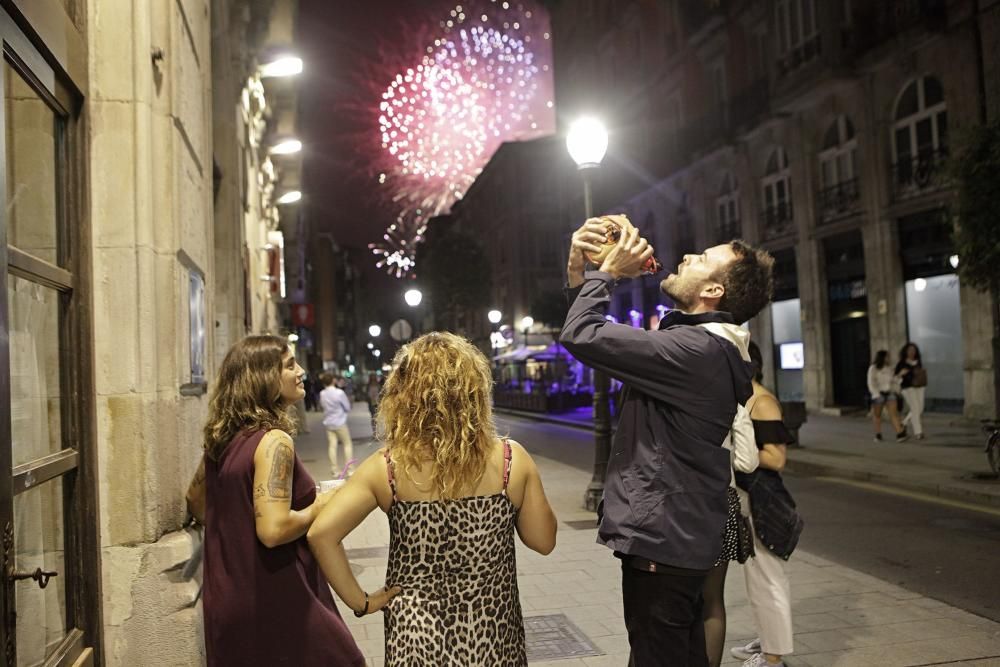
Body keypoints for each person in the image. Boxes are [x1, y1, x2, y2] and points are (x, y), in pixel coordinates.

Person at [560, 219, 773, 667]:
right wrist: (582, 273)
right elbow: (597, 340)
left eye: (700, 260)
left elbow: (583, 335)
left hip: (662, 544)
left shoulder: (695, 351)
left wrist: (610, 276)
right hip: (676, 541)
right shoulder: (697, 346)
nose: (686, 258)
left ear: (714, 291)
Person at [308, 332, 558, 667]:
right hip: (493, 637)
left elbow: (321, 534)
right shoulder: (512, 461)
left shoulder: (387, 468)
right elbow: (543, 541)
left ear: (404, 394)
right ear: (474, 391)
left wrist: (363, 602)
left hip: (415, 637)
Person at [185, 335, 364, 666]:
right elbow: (274, 530)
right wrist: (323, 504)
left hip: (228, 592)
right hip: (277, 593)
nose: (300, 372)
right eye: (289, 365)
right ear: (263, 376)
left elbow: (196, 501)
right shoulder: (274, 441)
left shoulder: (222, 438)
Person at [729, 341, 801, 667]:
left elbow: (776, 458)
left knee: (768, 580)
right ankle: (767, 641)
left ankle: (773, 658)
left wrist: (736, 453)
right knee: (756, 578)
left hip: (764, 499)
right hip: (750, 497)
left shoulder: (763, 402)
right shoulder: (745, 399)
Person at [867, 350, 907, 442]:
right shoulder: (873, 368)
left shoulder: (889, 368)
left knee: (894, 414)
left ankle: (900, 434)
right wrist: (876, 394)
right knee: (877, 415)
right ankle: (878, 434)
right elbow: (871, 383)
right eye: (887, 356)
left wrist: (900, 375)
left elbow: (893, 380)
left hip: (889, 393)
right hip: (878, 394)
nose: (889, 358)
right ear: (882, 357)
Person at [320, 372, 354, 476]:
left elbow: (322, 406)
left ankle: (334, 470)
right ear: (333, 381)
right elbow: (347, 407)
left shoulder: (322, 393)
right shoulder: (339, 393)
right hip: (340, 422)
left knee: (332, 446)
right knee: (347, 444)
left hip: (329, 423)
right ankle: (350, 469)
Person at [896, 342, 927, 440]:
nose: (912, 352)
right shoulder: (902, 363)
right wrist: (901, 374)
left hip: (920, 386)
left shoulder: (918, 361)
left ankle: (904, 423)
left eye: (914, 350)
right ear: (905, 351)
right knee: (915, 408)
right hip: (907, 387)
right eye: (910, 350)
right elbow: (895, 377)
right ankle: (918, 432)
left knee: (920, 408)